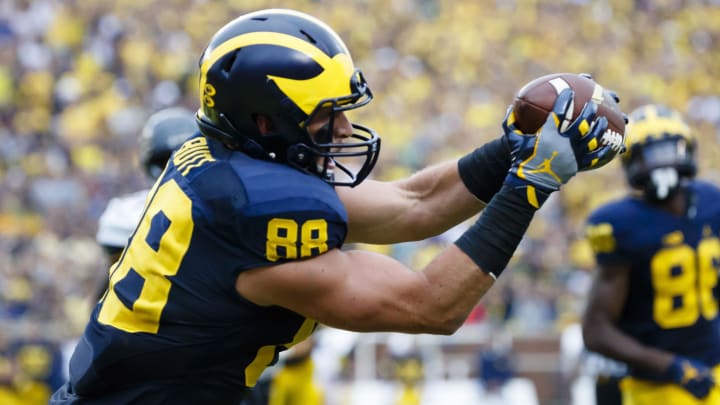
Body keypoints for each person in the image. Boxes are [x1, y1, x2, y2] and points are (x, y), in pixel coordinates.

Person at [51, 8, 620, 404]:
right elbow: (431, 305)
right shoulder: (252, 210)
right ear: (267, 122)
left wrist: (510, 149)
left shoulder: (228, 163)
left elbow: (413, 203)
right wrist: (531, 185)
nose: (344, 128)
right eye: (327, 116)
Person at [582, 104, 720, 405]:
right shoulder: (619, 223)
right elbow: (596, 331)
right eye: (651, 155)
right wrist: (671, 366)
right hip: (656, 387)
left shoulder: (712, 202)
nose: (662, 164)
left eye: (670, 150)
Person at [95, 107, 198, 267]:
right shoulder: (127, 212)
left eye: (188, 160)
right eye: (167, 162)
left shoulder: (226, 200)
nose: (177, 170)